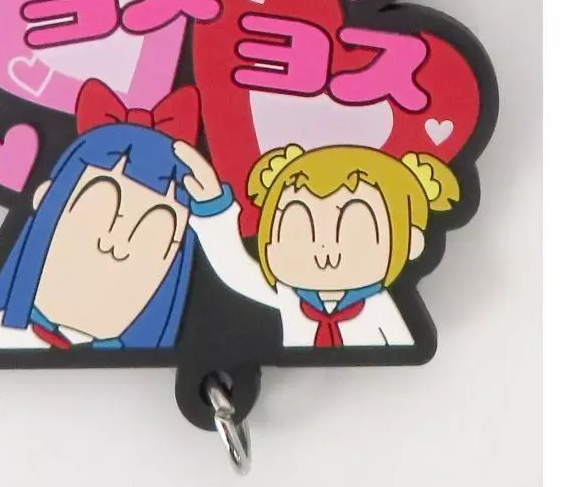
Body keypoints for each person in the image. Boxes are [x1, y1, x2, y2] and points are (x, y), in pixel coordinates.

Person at [0, 80, 229, 350]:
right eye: (98, 208)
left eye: (154, 233)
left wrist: (215, 212)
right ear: (46, 198)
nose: (117, 245)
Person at [180, 140, 460, 347]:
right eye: (297, 226)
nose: (325, 251)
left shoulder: (380, 308)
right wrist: (212, 206)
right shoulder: (291, 296)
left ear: (410, 242)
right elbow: (237, 271)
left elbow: (402, 347)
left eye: (355, 229)